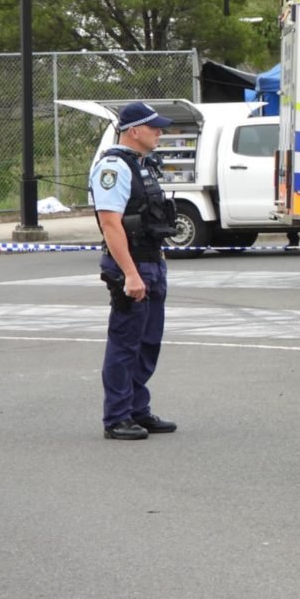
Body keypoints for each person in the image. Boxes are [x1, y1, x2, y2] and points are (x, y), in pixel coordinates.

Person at [89, 101, 179, 440]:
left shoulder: (142, 165)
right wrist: (130, 273)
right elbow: (111, 224)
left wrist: (155, 262)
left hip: (150, 261)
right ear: (134, 131)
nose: (160, 132)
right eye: (154, 127)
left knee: (148, 341)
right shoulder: (113, 167)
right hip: (132, 266)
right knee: (125, 342)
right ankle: (117, 417)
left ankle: (138, 409)